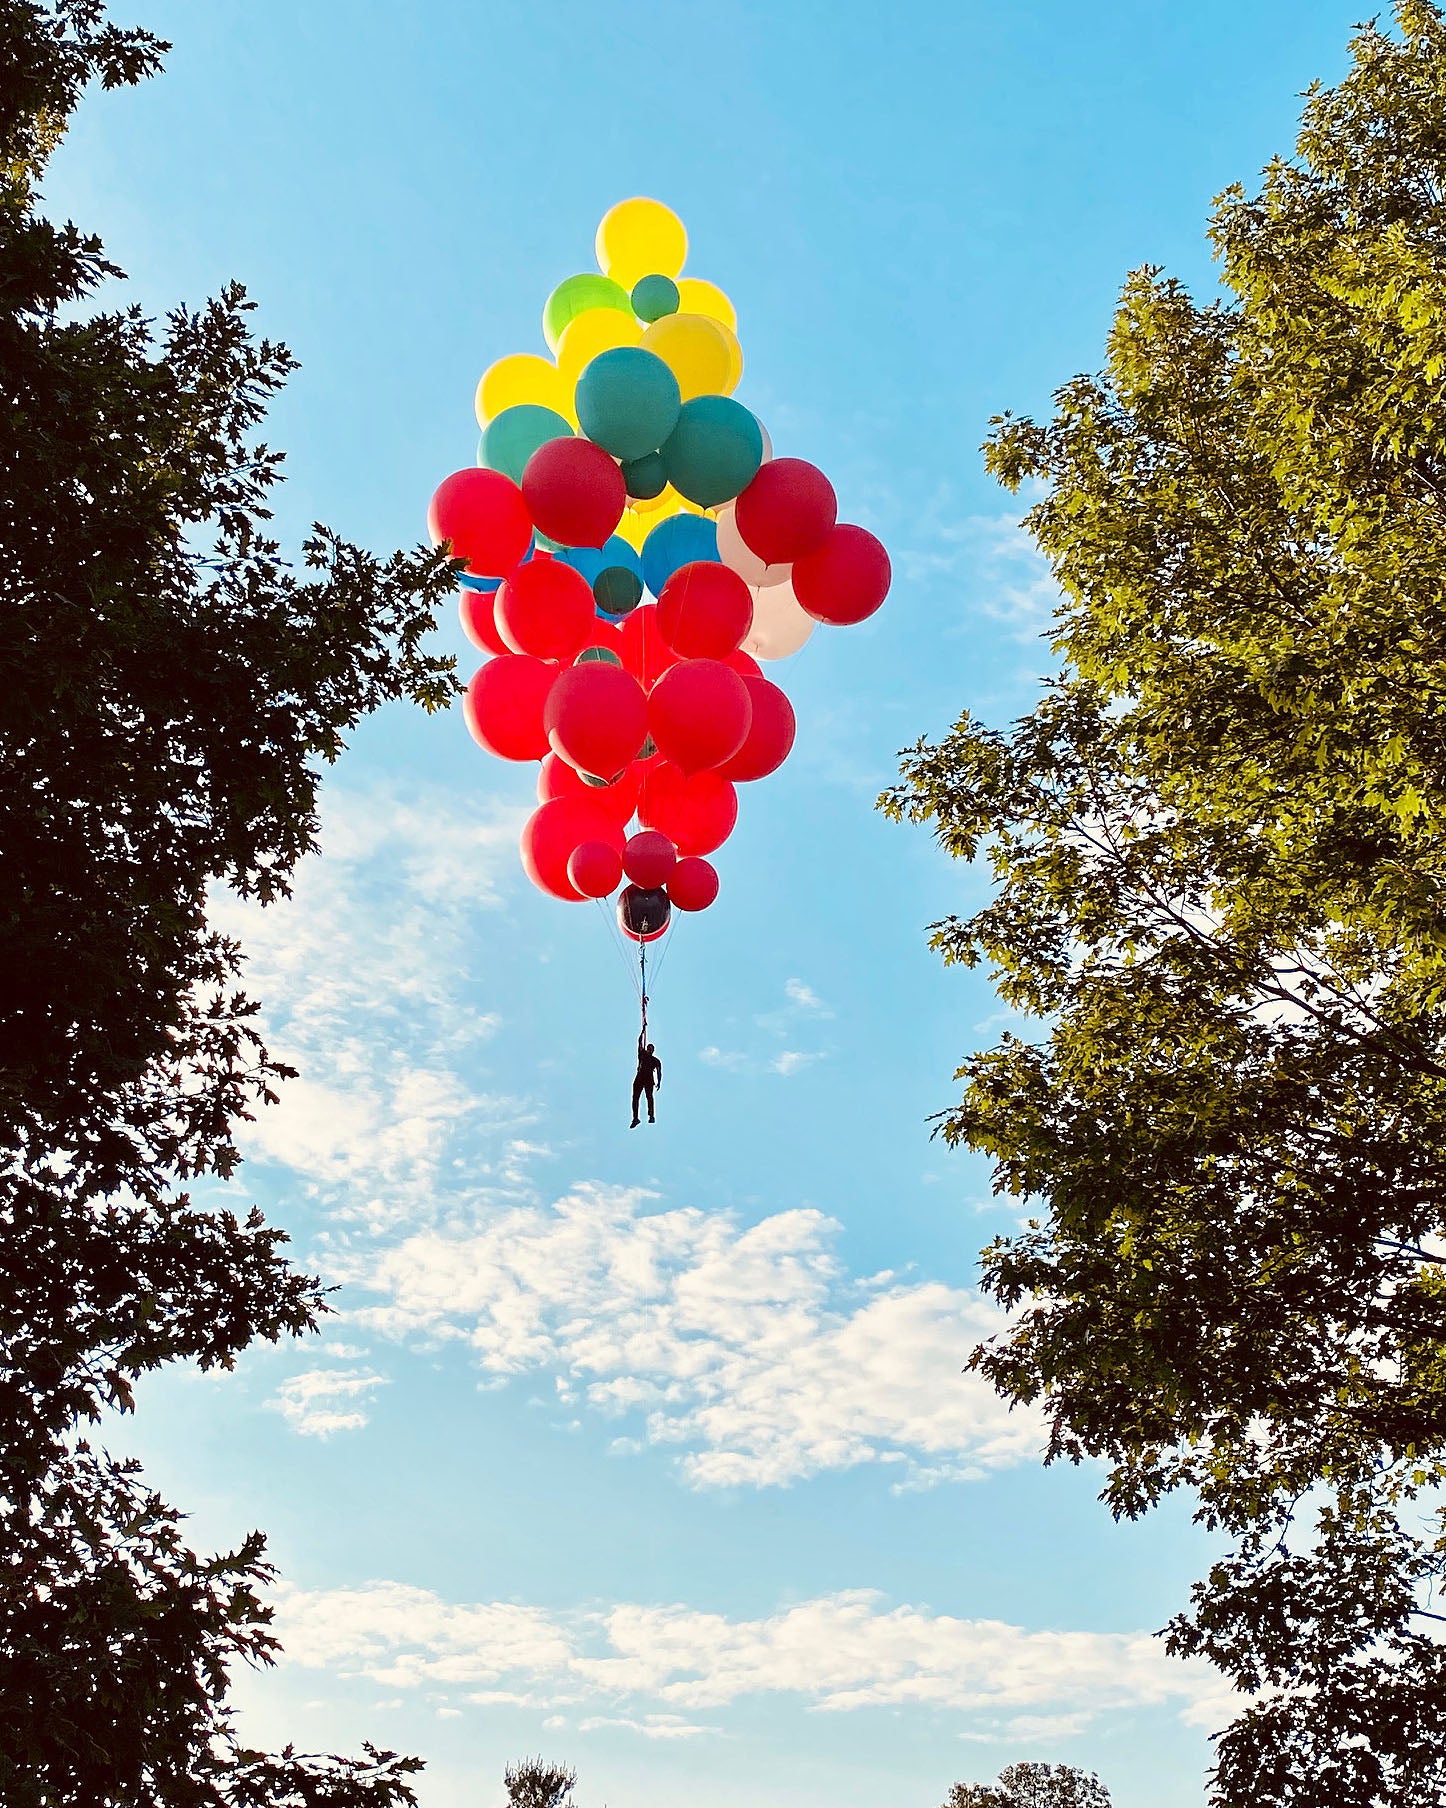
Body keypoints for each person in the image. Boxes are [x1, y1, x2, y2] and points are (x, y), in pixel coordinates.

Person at [630, 1027, 662, 1127]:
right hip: (639, 1077)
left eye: (651, 1048)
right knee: (635, 1097)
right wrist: (642, 1031)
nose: (649, 1049)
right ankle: (635, 1118)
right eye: (648, 1047)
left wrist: (659, 1082)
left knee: (649, 1097)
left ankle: (651, 1116)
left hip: (648, 1079)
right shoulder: (642, 1053)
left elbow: (659, 1072)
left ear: (653, 1050)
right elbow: (639, 1042)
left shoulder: (655, 1060)